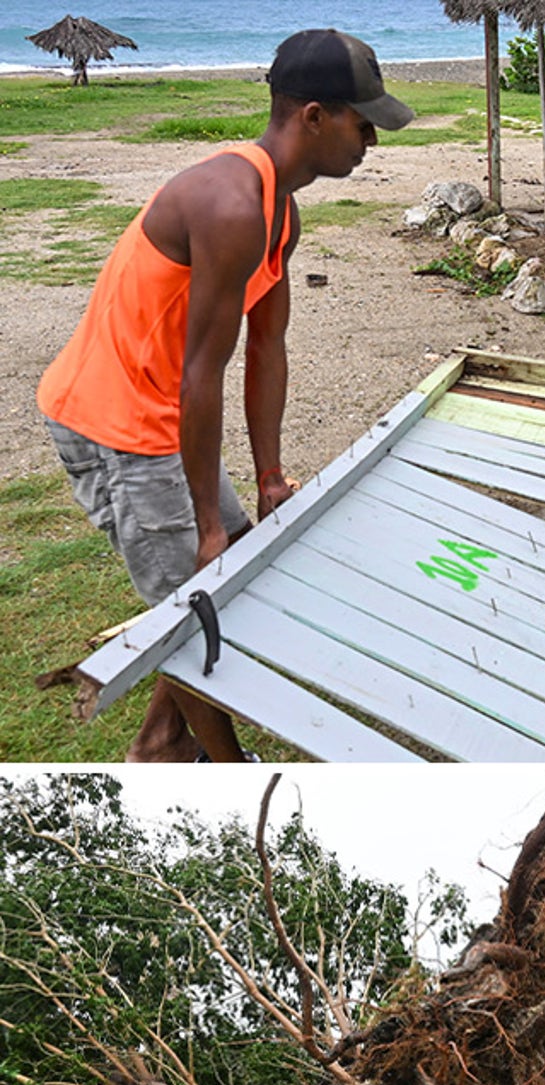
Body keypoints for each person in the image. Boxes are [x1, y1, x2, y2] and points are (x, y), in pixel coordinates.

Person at [37, 28, 412, 763]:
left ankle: (160, 739)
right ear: (312, 116)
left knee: (235, 569)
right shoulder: (231, 205)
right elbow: (202, 371)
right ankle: (200, 761)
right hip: (114, 422)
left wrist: (269, 477)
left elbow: (266, 350)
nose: (372, 139)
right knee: (198, 602)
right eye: (361, 122)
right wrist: (208, 520)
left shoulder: (281, 212)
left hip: (165, 412)